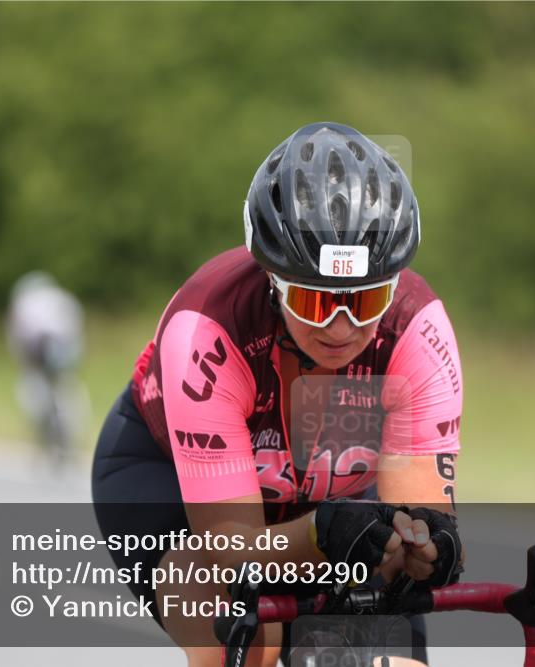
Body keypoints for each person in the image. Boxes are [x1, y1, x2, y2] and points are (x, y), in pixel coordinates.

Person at [92, 122, 464, 666]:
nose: (341, 328)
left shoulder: (417, 329)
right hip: (169, 483)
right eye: (316, 302)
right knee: (242, 646)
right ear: (272, 277)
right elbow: (230, 549)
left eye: (365, 301)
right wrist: (321, 532)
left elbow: (417, 508)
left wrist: (430, 545)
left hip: (331, 506)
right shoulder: (208, 328)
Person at [7, 271, 87, 466]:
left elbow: (17, 339)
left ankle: (46, 440)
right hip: (65, 347)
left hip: (38, 347)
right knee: (66, 389)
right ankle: (69, 438)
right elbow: (76, 331)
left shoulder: (23, 302)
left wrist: (24, 363)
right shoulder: (63, 298)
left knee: (34, 391)